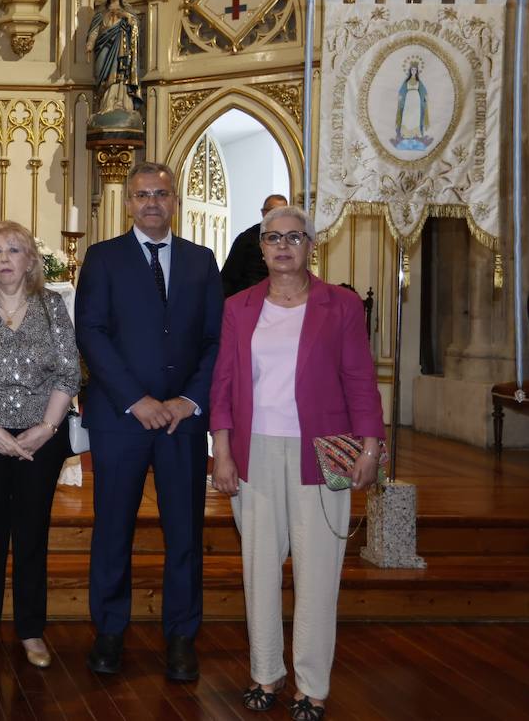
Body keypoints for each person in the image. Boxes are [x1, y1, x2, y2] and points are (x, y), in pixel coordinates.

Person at [209, 205, 384, 721]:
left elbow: (359, 380)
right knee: (258, 569)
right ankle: (266, 672)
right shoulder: (238, 306)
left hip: (323, 453)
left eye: (294, 237)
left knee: (318, 573)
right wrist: (221, 448)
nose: (283, 246)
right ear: (260, 248)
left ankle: (312, 684)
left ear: (311, 246)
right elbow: (222, 383)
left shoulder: (341, 305)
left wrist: (371, 447)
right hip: (254, 452)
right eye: (272, 237)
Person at [75, 161, 223, 681]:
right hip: (122, 418)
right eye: (142, 195)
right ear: (128, 203)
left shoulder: (202, 262)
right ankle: (110, 631)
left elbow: (214, 341)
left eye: (161, 193)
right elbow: (90, 332)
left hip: (182, 421)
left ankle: (182, 635)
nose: (152, 202)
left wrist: (188, 400)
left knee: (184, 531)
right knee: (112, 529)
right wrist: (136, 399)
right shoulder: (102, 258)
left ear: (175, 199)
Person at [0, 221, 80, 668]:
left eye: (14, 249)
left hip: (42, 439)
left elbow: (68, 372)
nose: (5, 258)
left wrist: (45, 428)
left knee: (31, 534)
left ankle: (31, 630)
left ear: (30, 261)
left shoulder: (51, 307)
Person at [84, 0, 145, 142]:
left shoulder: (127, 12)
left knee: (121, 75)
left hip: (122, 50)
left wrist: (127, 17)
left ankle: (122, 104)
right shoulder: (101, 14)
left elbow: (135, 29)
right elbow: (95, 31)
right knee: (102, 75)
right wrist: (90, 44)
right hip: (105, 48)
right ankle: (107, 105)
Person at [220, 194, 290, 298]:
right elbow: (229, 277)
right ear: (263, 212)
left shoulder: (293, 239)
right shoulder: (247, 238)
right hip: (251, 300)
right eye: (273, 212)